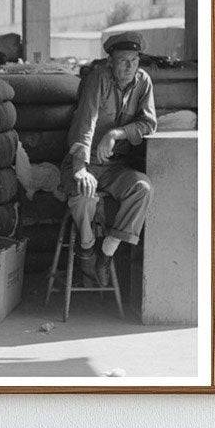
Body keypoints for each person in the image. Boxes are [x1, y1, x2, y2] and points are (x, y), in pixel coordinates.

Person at [64, 32, 157, 286]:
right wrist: (80, 168)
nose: (129, 67)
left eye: (134, 60)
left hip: (116, 167)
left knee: (142, 188)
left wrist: (116, 133)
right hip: (87, 162)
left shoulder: (143, 81)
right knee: (84, 196)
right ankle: (86, 248)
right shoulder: (98, 78)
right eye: (123, 60)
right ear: (110, 61)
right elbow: (86, 121)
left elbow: (149, 124)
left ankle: (106, 253)